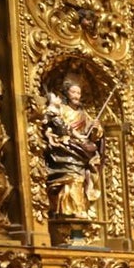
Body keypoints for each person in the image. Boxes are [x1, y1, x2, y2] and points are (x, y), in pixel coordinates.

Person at [44, 79, 103, 218]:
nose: (76, 95)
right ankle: (66, 210)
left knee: (80, 179)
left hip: (81, 151)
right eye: (73, 92)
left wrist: (95, 128)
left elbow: (93, 136)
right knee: (70, 177)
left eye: (79, 93)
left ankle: (77, 208)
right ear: (67, 93)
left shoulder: (84, 114)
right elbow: (55, 125)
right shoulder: (61, 110)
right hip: (64, 149)